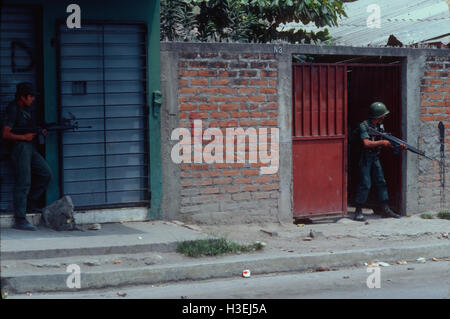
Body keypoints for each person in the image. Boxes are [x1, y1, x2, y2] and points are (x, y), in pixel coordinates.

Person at [1, 82, 52, 231]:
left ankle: (29, 202)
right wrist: (24, 137)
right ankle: (20, 219)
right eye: (30, 96)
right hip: (19, 148)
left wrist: (39, 131)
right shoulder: (13, 109)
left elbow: (30, 129)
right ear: (22, 97)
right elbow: (5, 133)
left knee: (45, 174)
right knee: (23, 181)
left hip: (29, 147)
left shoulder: (27, 110)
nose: (33, 99)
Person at [353, 102, 406, 222]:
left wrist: (398, 146)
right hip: (365, 157)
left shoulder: (380, 127)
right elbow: (366, 143)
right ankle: (358, 210)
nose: (384, 117)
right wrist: (382, 143)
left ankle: (385, 209)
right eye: (383, 115)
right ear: (377, 116)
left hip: (375, 157)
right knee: (365, 183)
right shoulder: (364, 126)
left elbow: (386, 141)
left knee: (381, 181)